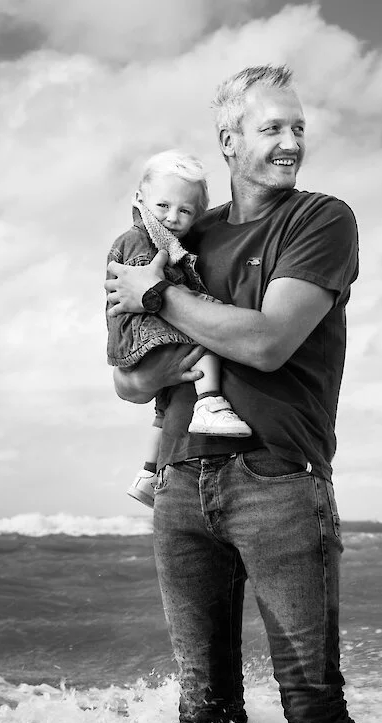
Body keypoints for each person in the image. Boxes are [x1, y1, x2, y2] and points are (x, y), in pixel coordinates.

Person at [106, 65, 373, 723]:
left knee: (313, 711)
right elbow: (130, 381)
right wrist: (155, 318)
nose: (291, 143)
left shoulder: (320, 220)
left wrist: (158, 296)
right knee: (205, 714)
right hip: (182, 483)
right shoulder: (187, 231)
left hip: (280, 481)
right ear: (229, 141)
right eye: (272, 129)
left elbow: (265, 342)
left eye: (298, 129)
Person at [106, 150, 252, 508]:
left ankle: (147, 473)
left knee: (164, 406)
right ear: (139, 199)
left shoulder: (165, 240)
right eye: (163, 206)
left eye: (185, 211)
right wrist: (197, 303)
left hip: (140, 343)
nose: (173, 218)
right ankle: (209, 403)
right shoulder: (143, 242)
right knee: (210, 330)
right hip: (148, 332)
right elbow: (146, 288)